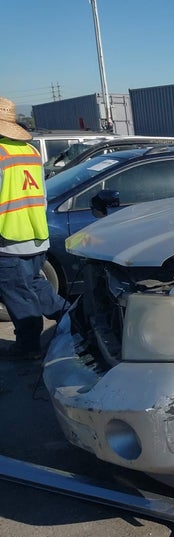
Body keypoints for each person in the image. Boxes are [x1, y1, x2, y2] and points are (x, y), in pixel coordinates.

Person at [0, 96, 67, 361]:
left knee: (19, 295)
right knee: (35, 285)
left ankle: (28, 348)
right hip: (35, 235)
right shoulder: (30, 152)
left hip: (8, 239)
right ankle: (71, 321)